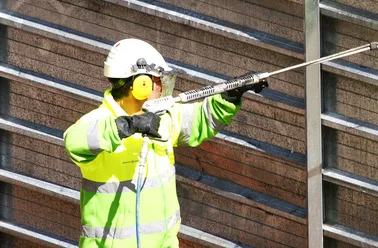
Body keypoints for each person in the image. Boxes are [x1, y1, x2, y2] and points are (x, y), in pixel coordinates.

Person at [63, 38, 267, 248]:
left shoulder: (164, 117)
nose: (162, 87)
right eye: (158, 80)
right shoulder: (97, 122)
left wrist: (230, 96)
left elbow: (202, 119)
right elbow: (74, 142)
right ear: (141, 84)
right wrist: (127, 126)